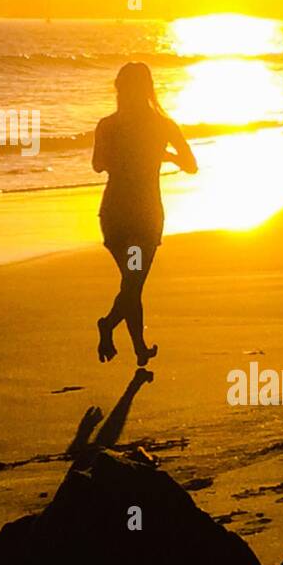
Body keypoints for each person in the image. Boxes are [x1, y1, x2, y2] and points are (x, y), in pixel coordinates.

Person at [92, 61, 197, 367]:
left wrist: (128, 154)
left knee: (131, 281)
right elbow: (191, 165)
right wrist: (163, 154)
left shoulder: (108, 125)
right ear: (148, 88)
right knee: (133, 281)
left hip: (113, 214)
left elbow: (98, 165)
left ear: (120, 89)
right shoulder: (163, 125)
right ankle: (108, 325)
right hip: (145, 216)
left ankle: (139, 349)